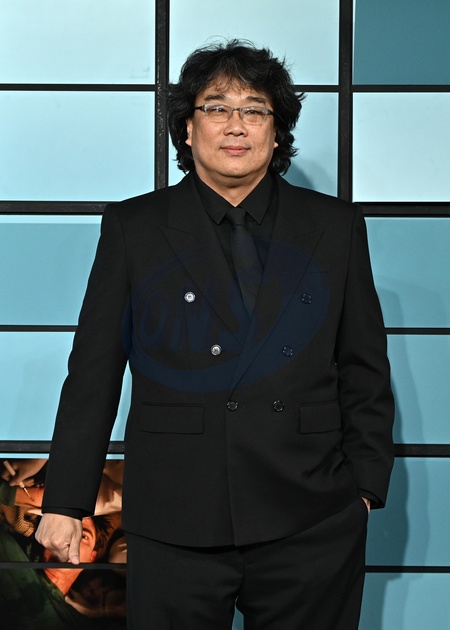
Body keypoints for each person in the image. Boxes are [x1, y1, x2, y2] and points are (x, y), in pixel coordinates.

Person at [36, 39, 394, 629]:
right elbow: (94, 372)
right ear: (187, 127)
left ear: (276, 133)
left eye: (254, 110)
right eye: (217, 107)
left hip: (311, 513)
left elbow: (363, 366)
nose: (236, 125)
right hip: (175, 513)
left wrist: (363, 491)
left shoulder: (334, 225)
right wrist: (67, 502)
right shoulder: (134, 226)